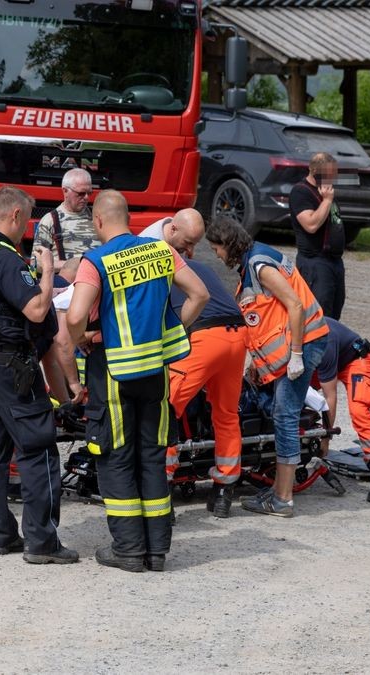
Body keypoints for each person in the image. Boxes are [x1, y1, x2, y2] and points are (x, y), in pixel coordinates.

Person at [66, 190, 209, 572]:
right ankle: (156, 551)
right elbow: (200, 293)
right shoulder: (160, 251)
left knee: (115, 458)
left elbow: (76, 314)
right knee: (151, 455)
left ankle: (128, 550)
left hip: (113, 375)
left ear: (98, 221)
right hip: (155, 374)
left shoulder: (96, 260)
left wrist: (82, 338)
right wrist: (173, 333)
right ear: (127, 217)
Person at [0, 185, 78, 565]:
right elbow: (39, 311)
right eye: (25, 221)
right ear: (14, 216)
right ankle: (42, 543)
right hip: (11, 366)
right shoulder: (4, 259)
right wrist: (46, 270)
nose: (25, 229)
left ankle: (1, 534)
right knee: (37, 448)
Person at [206, 216, 328, 518]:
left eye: (217, 248)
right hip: (299, 344)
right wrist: (256, 363)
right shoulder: (253, 262)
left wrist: (297, 354)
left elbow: (295, 306)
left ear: (228, 243)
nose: (217, 255)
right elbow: (266, 318)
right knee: (282, 414)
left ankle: (282, 499)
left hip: (306, 341)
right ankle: (278, 490)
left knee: (285, 416)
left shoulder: (259, 264)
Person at [142, 209, 246, 518]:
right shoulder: (203, 268)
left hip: (205, 336)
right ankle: (224, 491)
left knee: (166, 408)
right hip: (238, 335)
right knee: (226, 415)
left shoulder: (162, 267)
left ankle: (162, 490)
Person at [314, 318, 370, 503]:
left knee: (359, 410)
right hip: (328, 357)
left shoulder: (324, 339)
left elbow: (329, 396)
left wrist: (326, 438)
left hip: (355, 359)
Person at [289, 152, 346, 320]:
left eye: (333, 174)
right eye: (328, 174)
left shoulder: (326, 190)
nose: (332, 178)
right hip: (315, 263)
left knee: (334, 313)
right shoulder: (301, 192)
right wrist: (327, 201)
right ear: (314, 171)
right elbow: (311, 225)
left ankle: (332, 344)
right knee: (319, 316)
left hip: (334, 261)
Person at [35, 168, 96, 272]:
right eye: (81, 193)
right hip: (65, 285)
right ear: (65, 191)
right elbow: (37, 263)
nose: (86, 198)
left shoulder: (98, 217)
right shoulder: (50, 221)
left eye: (89, 193)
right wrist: (77, 265)